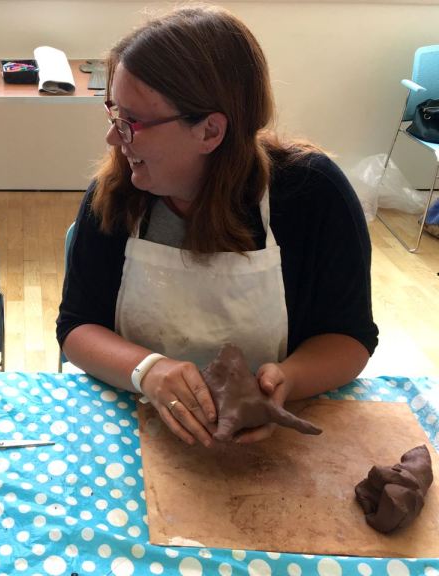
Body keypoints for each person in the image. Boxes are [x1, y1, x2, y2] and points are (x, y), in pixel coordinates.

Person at [56, 4, 378, 448]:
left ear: (209, 131)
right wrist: (147, 370)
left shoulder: (313, 194)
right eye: (114, 114)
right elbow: (77, 326)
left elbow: (350, 336)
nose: (114, 138)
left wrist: (285, 381)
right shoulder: (116, 194)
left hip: (273, 441)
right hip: (134, 425)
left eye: (132, 122)